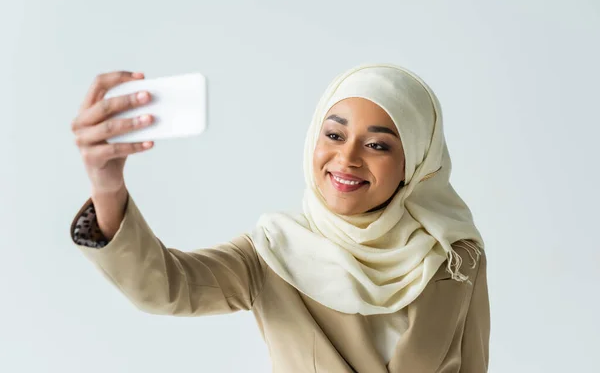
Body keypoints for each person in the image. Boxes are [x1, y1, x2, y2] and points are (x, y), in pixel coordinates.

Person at [69, 64, 490, 372]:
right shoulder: (273, 253)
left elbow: (474, 364)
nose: (347, 158)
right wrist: (107, 188)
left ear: (415, 162)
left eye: (378, 145)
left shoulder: (453, 256)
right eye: (335, 134)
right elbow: (163, 287)